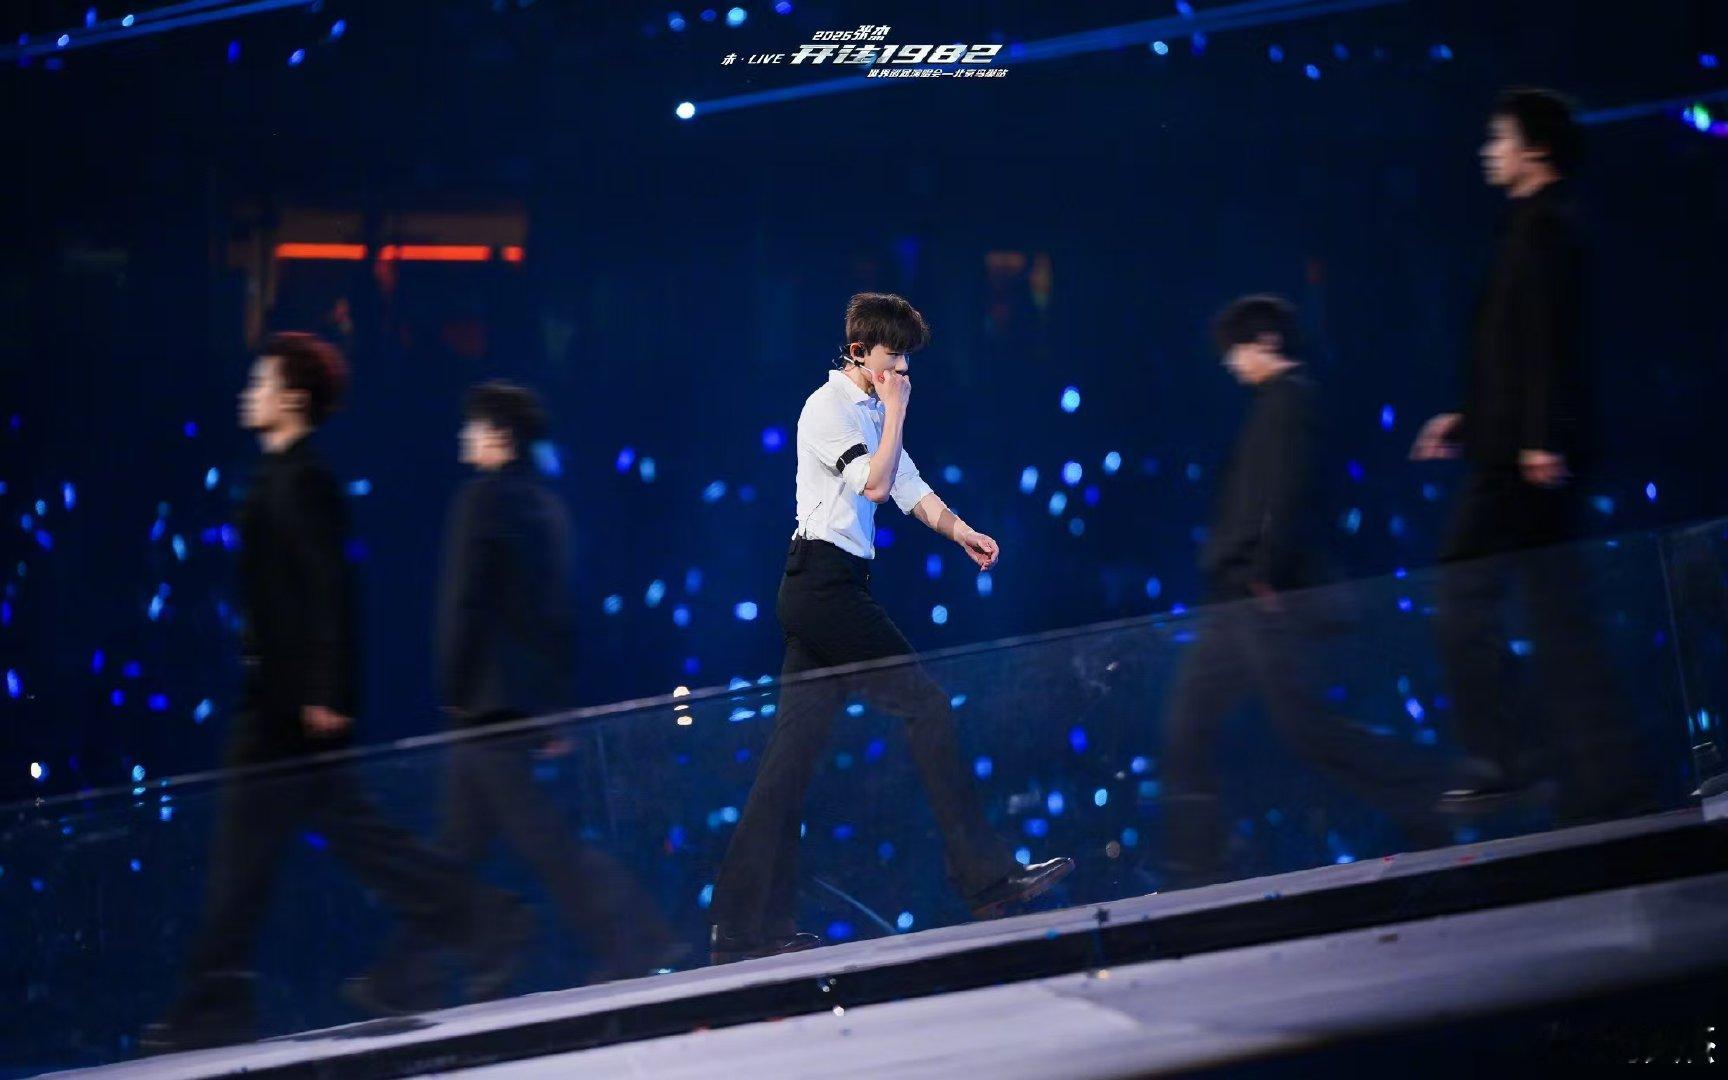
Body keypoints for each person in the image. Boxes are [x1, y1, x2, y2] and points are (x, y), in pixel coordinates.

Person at [144, 335, 527, 1051]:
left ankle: (215, 1002)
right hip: (277, 699)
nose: (248, 393)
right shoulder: (276, 477)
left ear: (292, 397)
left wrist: (325, 690)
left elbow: (329, 590)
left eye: (260, 382)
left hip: (292, 707)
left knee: (275, 852)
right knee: (325, 844)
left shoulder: (306, 482)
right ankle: (486, 922)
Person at [708, 293, 1072, 963]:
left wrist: (962, 532)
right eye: (893, 358)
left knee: (788, 765)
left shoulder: (874, 411)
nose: (902, 371)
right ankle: (986, 879)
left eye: (906, 360)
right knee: (926, 706)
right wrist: (897, 410)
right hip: (822, 585)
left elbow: (907, 486)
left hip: (834, 585)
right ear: (859, 352)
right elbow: (874, 486)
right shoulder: (828, 408)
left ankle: (741, 927)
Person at [356, 383, 683, 1007]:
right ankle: (405, 970)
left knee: (540, 840)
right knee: (460, 844)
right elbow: (557, 616)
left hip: (481, 702)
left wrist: (452, 687)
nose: (465, 437)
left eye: (474, 426)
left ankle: (634, 939)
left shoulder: (479, 501)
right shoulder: (545, 507)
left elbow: (462, 603)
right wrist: (553, 706)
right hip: (523, 702)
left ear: (500, 436)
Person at [1411, 89, 1650, 820]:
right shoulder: (1525, 226)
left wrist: (1541, 436)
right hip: (1512, 445)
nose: (1489, 152)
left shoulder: (1548, 228)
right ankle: (1601, 779)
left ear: (1536, 150)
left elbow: (1551, 344)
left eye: (1499, 139)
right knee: (1555, 617)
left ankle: (1514, 756)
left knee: (1464, 594)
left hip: (1522, 458)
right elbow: (1513, 351)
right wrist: (1470, 418)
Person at [1160, 296, 1445, 887]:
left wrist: (1266, 572)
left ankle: (1429, 791)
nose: (1231, 363)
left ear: (1266, 342)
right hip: (1240, 595)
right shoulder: (1275, 404)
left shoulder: (1291, 401)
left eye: (1236, 349)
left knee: (1301, 727)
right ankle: (1195, 866)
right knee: (1193, 725)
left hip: (1261, 594)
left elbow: (1285, 496)